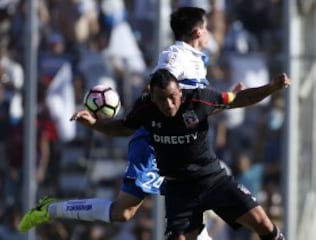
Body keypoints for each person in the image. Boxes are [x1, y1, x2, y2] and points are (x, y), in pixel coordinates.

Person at [18, 6, 218, 240]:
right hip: (156, 145)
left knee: (190, 214)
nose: (208, 34)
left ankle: (50, 208)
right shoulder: (178, 56)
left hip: (180, 147)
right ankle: (50, 208)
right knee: (123, 212)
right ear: (197, 31)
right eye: (206, 29)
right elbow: (157, 86)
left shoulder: (197, 60)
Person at [71, 69, 290, 240]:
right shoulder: (144, 109)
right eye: (162, 99)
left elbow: (237, 99)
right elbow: (123, 128)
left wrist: (270, 88)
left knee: (263, 223)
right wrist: (94, 125)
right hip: (179, 189)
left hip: (212, 179)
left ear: (179, 91)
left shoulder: (199, 99)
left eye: (173, 97)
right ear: (152, 97)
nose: (169, 104)